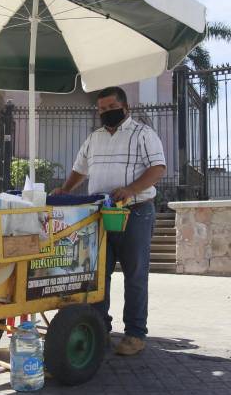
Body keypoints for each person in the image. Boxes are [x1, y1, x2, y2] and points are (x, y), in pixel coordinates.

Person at [51, 87, 166, 356]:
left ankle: (135, 334)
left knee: (135, 274)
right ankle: (100, 329)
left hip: (135, 212)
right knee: (98, 275)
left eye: (111, 107)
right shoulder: (94, 138)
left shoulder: (143, 134)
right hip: (101, 214)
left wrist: (131, 189)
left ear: (125, 108)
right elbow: (80, 169)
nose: (106, 112)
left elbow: (158, 168)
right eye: (101, 109)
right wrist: (66, 189)